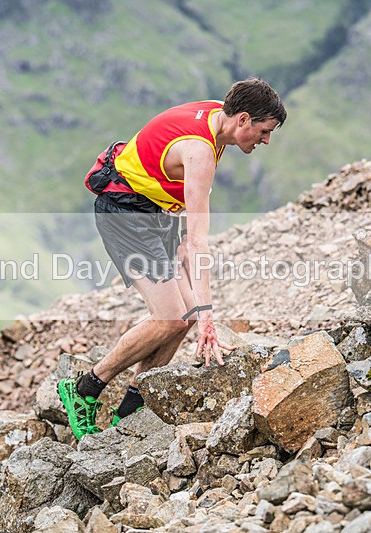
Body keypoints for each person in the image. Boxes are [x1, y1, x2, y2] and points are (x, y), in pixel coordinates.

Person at [58, 78, 286, 439]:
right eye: (264, 131)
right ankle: (84, 390)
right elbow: (199, 244)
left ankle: (131, 411)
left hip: (155, 213)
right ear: (243, 119)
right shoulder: (201, 152)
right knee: (169, 318)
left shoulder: (217, 115)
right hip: (125, 213)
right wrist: (210, 317)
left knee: (185, 317)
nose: (266, 140)